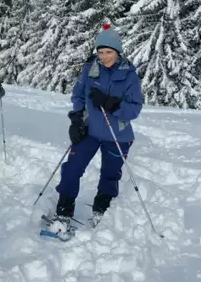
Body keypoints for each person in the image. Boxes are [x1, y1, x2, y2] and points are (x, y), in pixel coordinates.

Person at [50, 23, 143, 235]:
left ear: (117, 52)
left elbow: (135, 108)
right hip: (90, 131)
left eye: (109, 52)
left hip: (116, 134)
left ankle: (102, 207)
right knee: (72, 168)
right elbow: (79, 96)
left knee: (110, 174)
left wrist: (113, 104)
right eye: (101, 52)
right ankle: (64, 209)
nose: (104, 56)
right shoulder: (90, 70)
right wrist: (76, 120)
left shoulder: (129, 75)